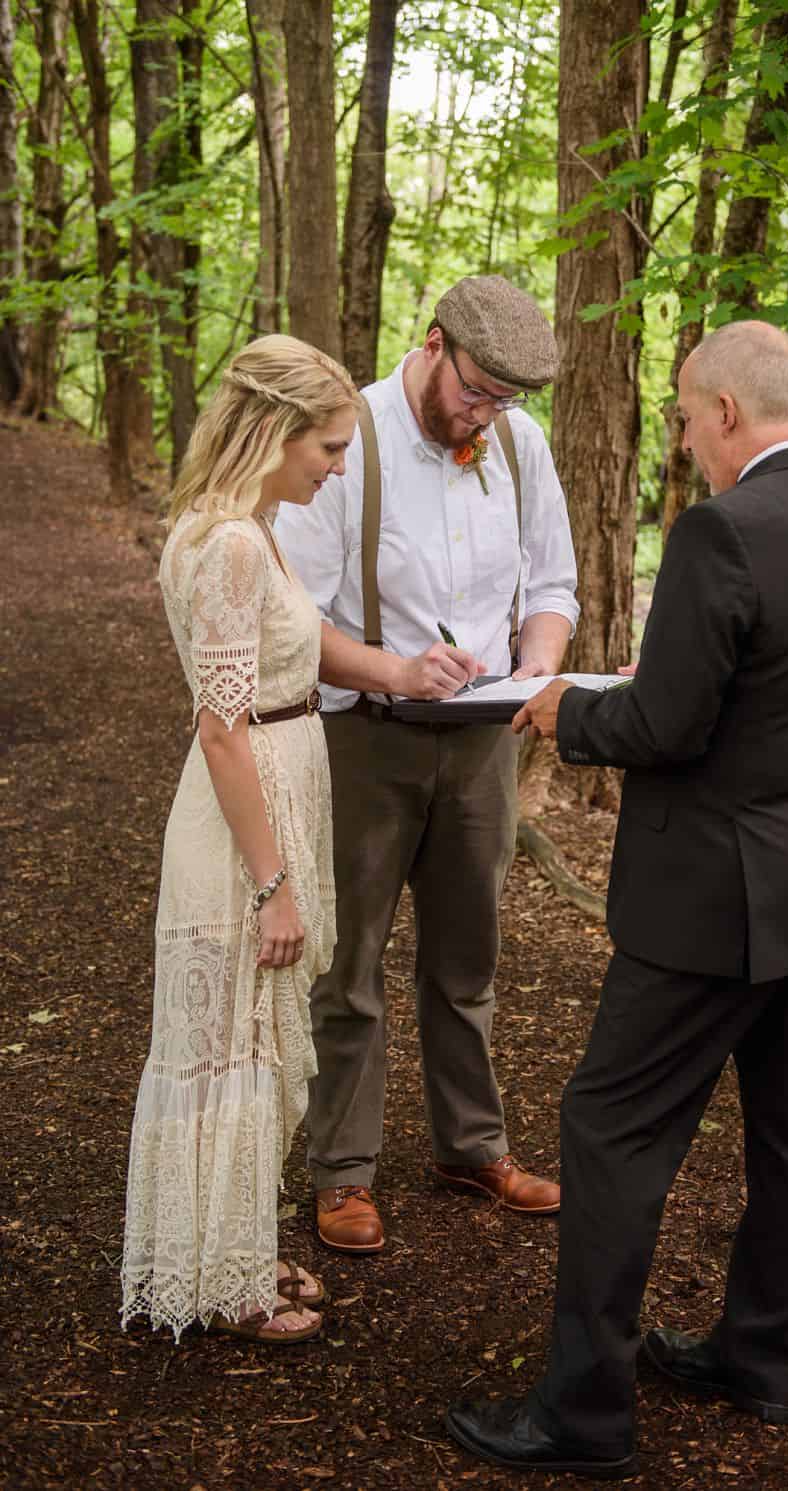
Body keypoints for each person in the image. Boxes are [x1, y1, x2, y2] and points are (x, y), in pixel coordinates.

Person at [440, 320, 788, 1476]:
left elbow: (667, 725)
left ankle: (583, 1416)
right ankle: (763, 1364)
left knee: (609, 1131)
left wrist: (570, 709)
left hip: (709, 898)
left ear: (728, 413)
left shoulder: (721, 531)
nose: (685, 439)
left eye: (687, 418)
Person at [122, 334, 471, 1344]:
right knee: (232, 1044)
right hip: (246, 817)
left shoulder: (246, 527)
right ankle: (224, 1283)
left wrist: (400, 672)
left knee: (255, 1043)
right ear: (272, 432)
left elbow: (298, 641)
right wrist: (271, 883)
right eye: (328, 447)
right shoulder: (230, 543)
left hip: (279, 787)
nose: (338, 467)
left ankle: (229, 1248)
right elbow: (220, 728)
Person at [274, 278, 579, 1255]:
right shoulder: (346, 438)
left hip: (485, 742)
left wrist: (536, 665)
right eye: (476, 391)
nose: (485, 415)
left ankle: (471, 1146)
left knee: (467, 955)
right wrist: (397, 671)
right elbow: (292, 620)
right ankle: (342, 1169)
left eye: (504, 400)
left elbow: (553, 584)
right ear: (435, 343)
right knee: (349, 960)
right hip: (365, 737)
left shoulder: (520, 446)